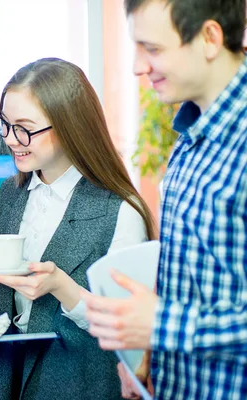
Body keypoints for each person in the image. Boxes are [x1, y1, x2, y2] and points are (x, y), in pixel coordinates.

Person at [0, 58, 157, 400]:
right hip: (6, 375)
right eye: (4, 124)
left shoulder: (121, 210)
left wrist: (61, 287)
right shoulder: (12, 193)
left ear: (70, 126)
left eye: (24, 127)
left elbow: (127, 326)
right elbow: (11, 281)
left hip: (78, 382)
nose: (10, 139)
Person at [82, 0, 247, 399]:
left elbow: (173, 317)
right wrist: (149, 360)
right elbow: (193, 281)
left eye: (152, 49)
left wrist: (163, 325)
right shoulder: (190, 137)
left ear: (210, 38)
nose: (139, 66)